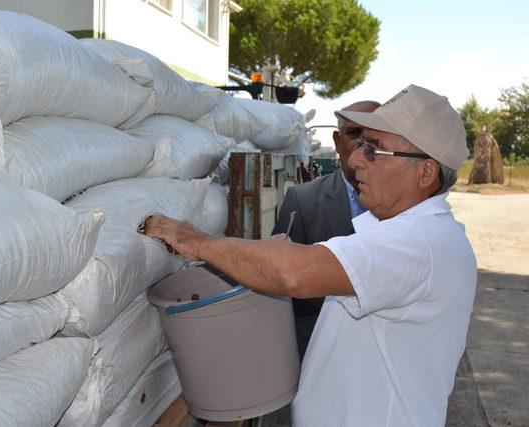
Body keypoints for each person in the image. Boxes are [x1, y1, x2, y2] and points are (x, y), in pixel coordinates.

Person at [141, 84, 476, 426]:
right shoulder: (413, 233)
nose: (357, 159)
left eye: (375, 150)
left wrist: (194, 241)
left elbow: (293, 275)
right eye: (360, 144)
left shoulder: (415, 242)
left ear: (425, 173)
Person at [273, 100, 380, 359]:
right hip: (320, 353)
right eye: (354, 134)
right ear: (336, 140)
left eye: (373, 138)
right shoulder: (303, 200)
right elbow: (281, 286)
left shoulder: (408, 204)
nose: (363, 146)